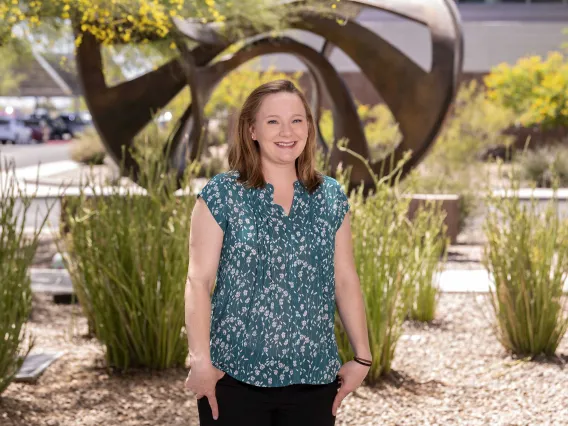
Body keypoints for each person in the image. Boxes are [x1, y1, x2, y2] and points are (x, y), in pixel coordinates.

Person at [184, 79, 372, 426]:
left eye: (297, 120)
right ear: (251, 129)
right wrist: (200, 361)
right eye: (273, 121)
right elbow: (198, 280)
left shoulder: (331, 197)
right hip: (232, 379)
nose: (287, 131)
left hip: (314, 382)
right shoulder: (222, 194)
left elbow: (345, 279)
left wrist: (362, 359)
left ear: (309, 128)